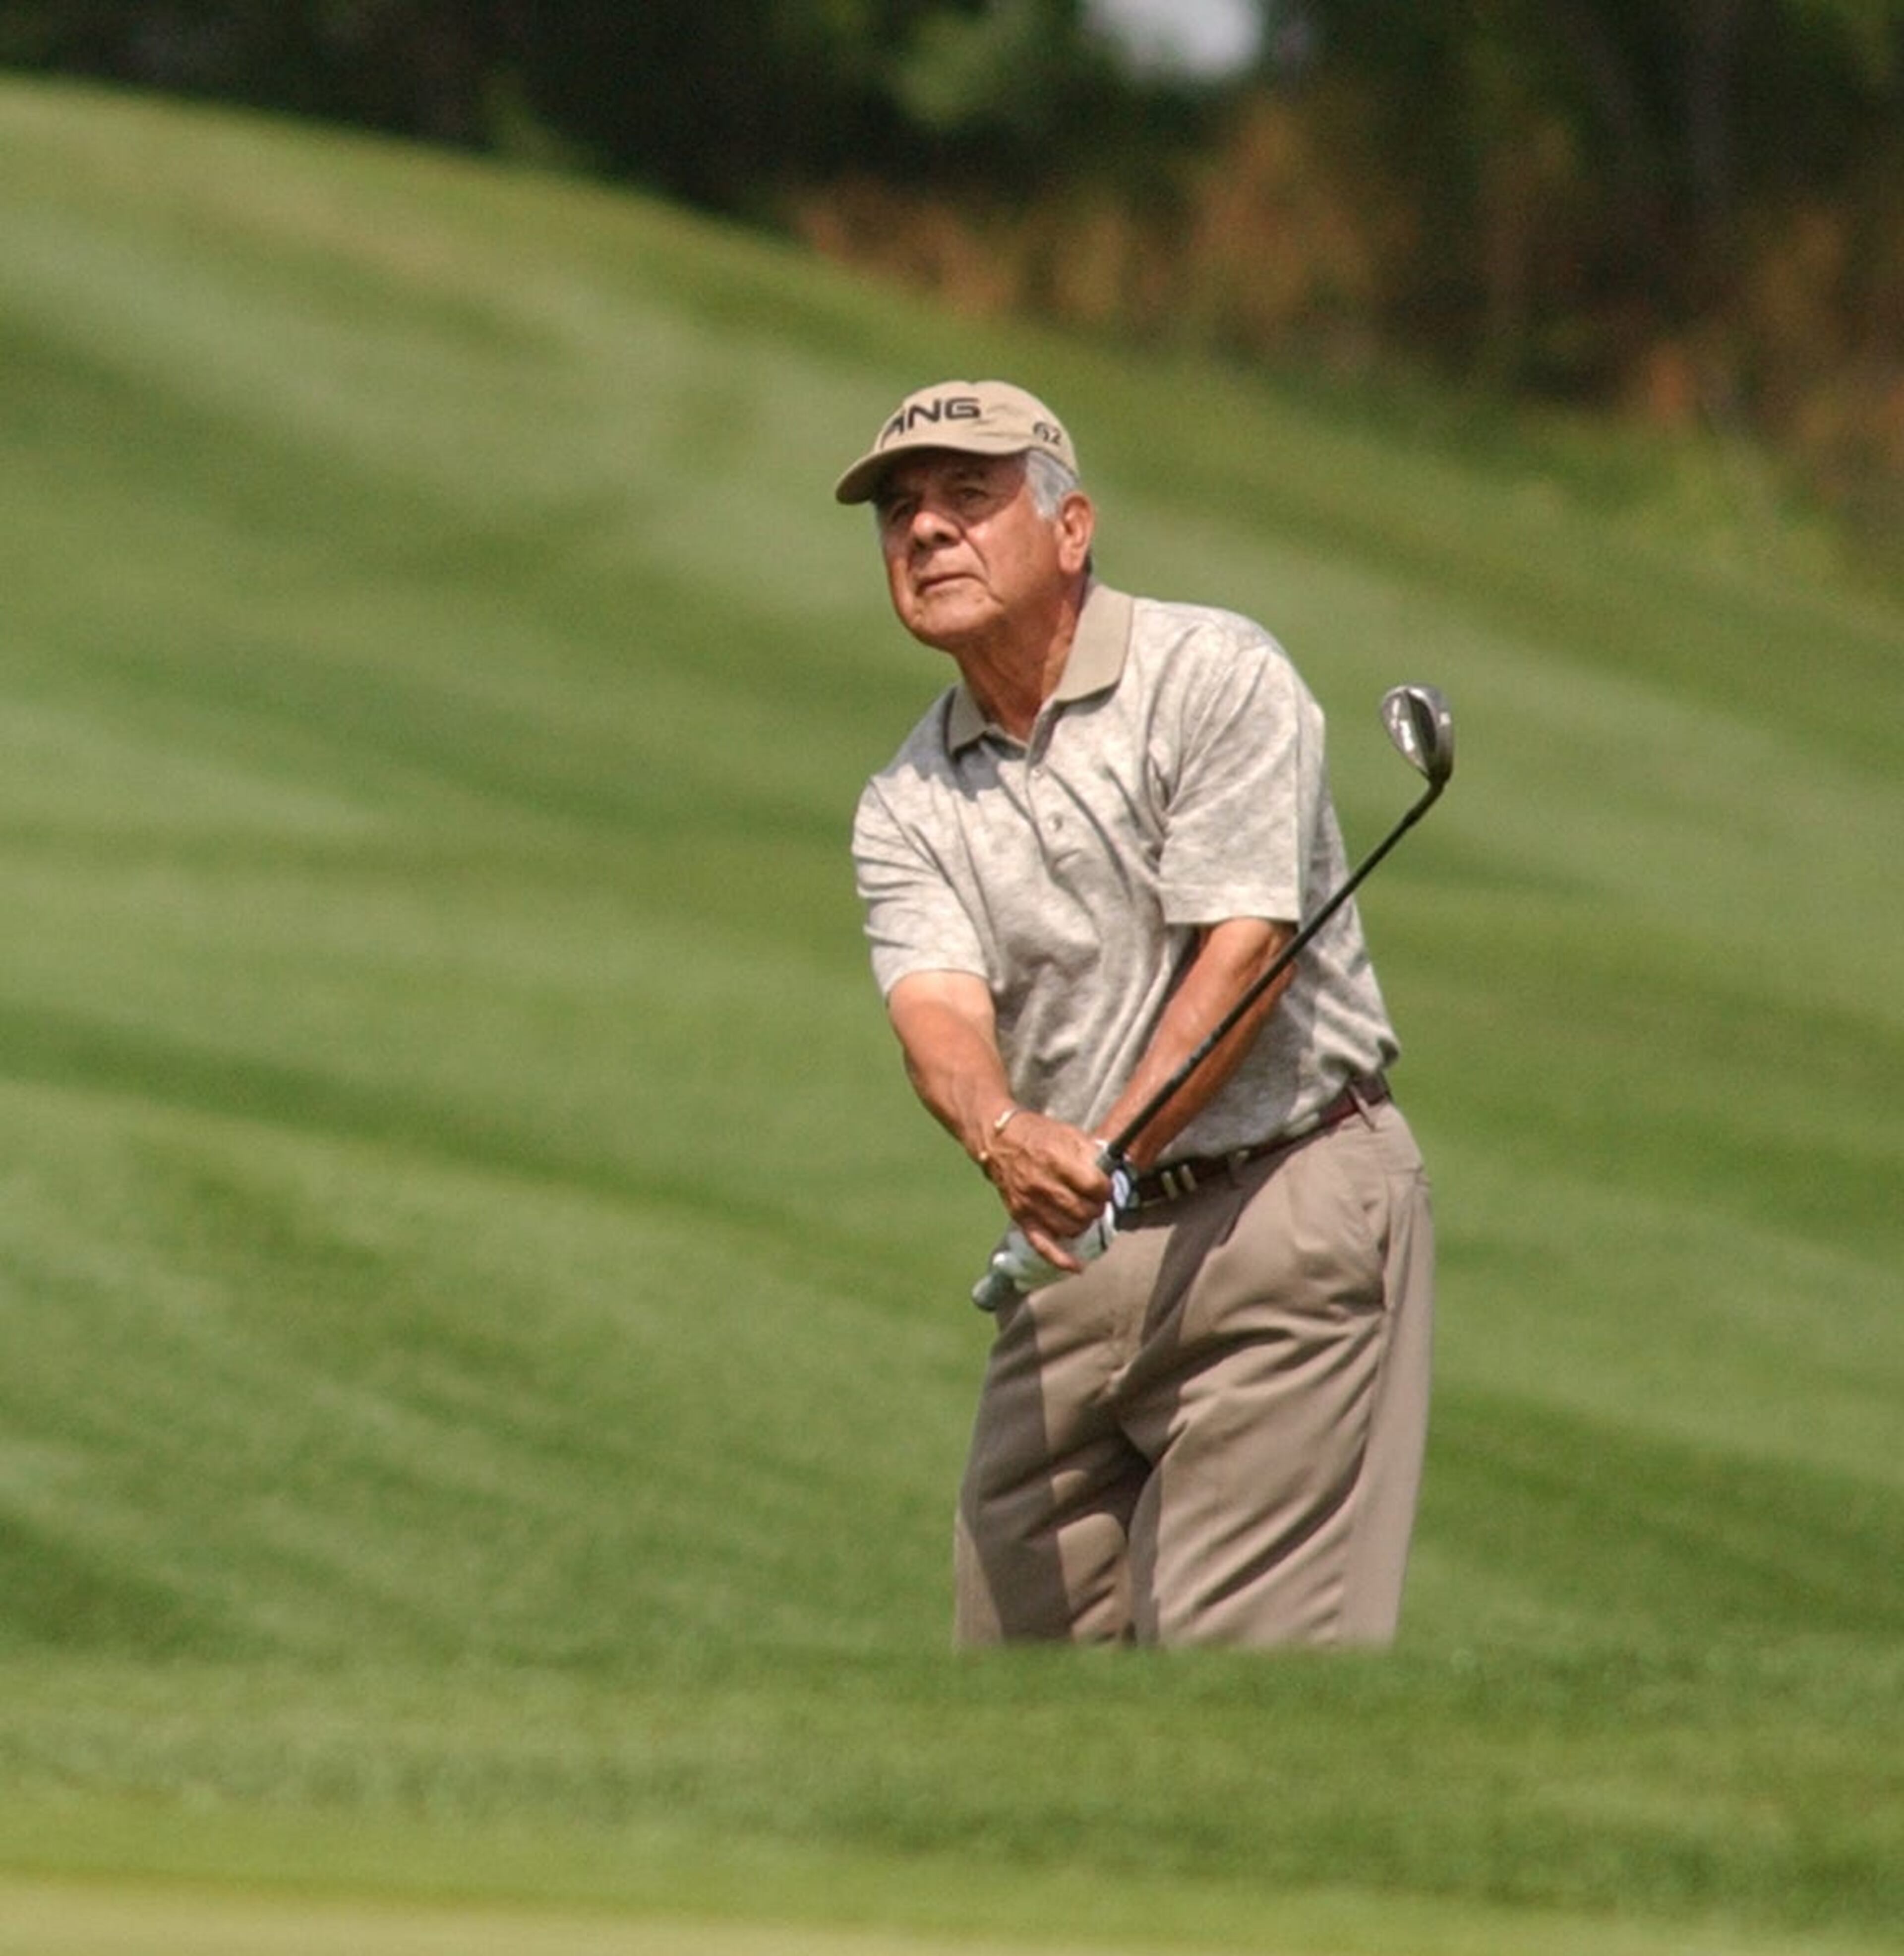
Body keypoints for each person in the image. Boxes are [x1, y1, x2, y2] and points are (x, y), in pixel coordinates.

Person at [837, 378, 1434, 1648]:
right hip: (1080, 1243)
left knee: (1233, 1669)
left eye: (967, 497)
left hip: (1281, 1206)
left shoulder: (1213, 675)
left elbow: (1247, 958)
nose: (924, 531)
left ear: (1072, 529)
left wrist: (1096, 1153)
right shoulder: (907, 798)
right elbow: (935, 1011)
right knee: (1011, 1667)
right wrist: (1007, 1135)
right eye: (899, 512)